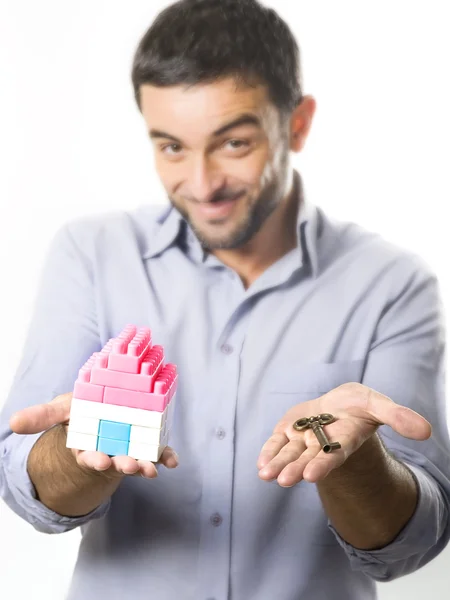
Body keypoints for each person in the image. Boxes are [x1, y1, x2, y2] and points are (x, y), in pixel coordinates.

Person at [1, 0, 449, 598]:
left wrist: (359, 460)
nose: (202, 183)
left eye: (233, 143)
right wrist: (79, 449)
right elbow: (30, 489)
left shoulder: (392, 283)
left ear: (297, 124)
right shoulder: (90, 254)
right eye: (171, 147)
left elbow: (414, 536)